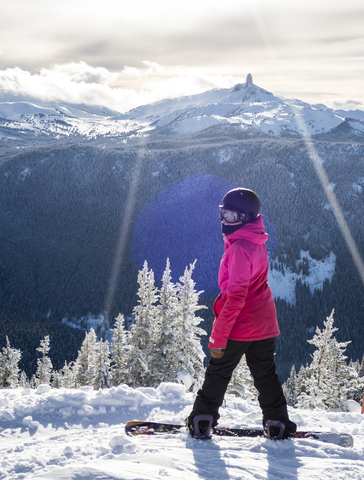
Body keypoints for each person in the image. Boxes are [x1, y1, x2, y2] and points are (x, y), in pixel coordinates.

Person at [186, 187, 296, 439]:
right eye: (223, 213)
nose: (225, 220)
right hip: (265, 323)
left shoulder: (239, 248)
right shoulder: (257, 240)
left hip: (240, 324)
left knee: (218, 372)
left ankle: (202, 420)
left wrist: (218, 336)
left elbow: (236, 297)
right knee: (265, 375)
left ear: (246, 217)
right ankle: (277, 423)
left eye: (232, 216)